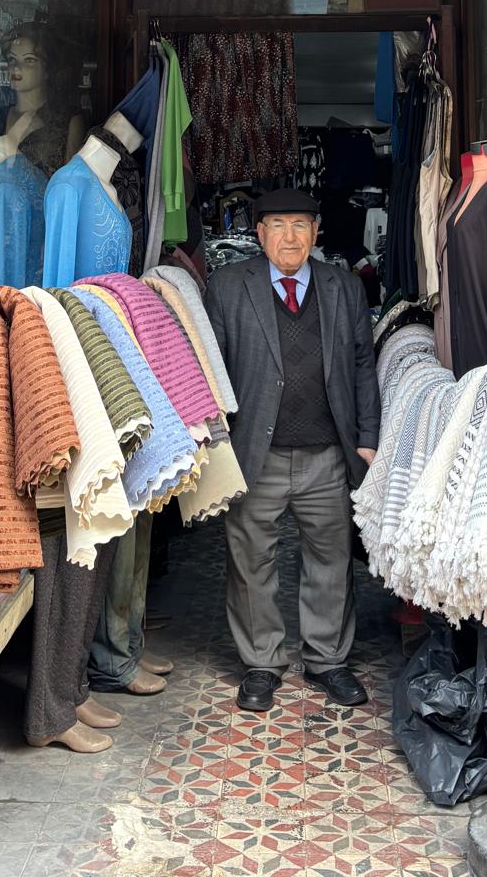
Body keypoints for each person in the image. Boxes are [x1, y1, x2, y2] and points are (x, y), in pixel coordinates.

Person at [205, 188, 379, 713]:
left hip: (327, 451)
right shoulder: (229, 286)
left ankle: (328, 660)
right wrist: (214, 446)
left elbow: (362, 365)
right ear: (259, 234)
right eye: (277, 225)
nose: (289, 236)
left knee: (330, 558)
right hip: (255, 453)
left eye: (300, 225)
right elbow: (210, 372)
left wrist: (368, 439)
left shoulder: (343, 287)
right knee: (251, 560)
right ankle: (262, 662)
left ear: (316, 232)